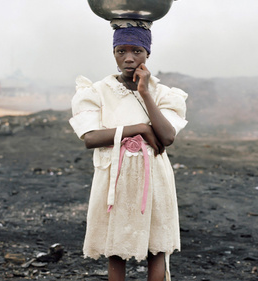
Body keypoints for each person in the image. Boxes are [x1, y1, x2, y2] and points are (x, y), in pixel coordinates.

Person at [69, 21, 188, 281]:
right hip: (114, 176)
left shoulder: (163, 94)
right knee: (116, 247)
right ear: (113, 53)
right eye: (121, 51)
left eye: (137, 51)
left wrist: (145, 93)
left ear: (148, 54)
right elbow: (90, 138)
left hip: (154, 177)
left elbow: (167, 136)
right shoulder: (98, 92)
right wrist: (140, 129)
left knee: (157, 247)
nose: (129, 58)